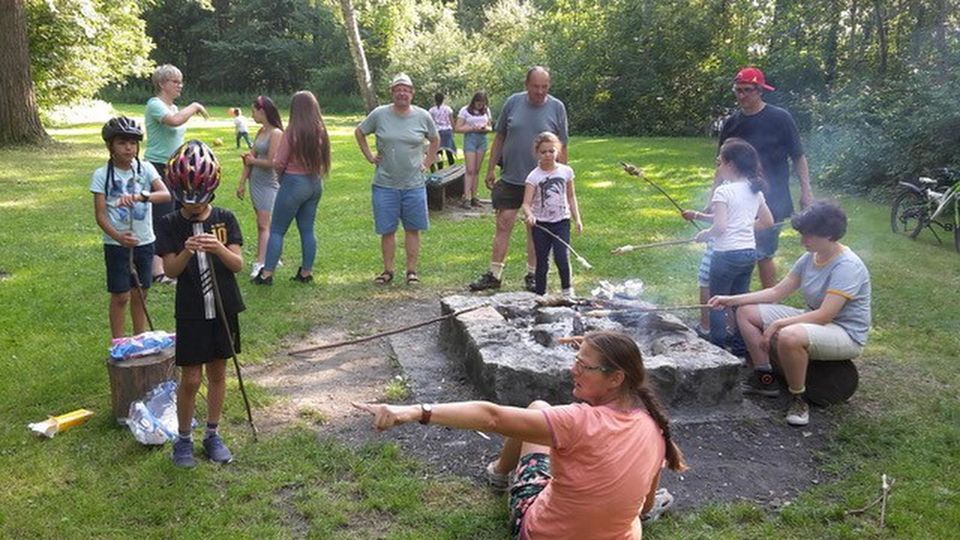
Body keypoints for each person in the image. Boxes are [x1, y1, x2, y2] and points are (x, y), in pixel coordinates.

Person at [353, 331, 686, 539]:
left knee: (538, 406)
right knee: (633, 518)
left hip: (544, 533)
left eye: (584, 366)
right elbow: (643, 505)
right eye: (576, 360)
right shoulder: (655, 426)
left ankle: (500, 475)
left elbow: (493, 417)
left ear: (615, 378)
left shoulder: (578, 420)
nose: (574, 369)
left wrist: (413, 411)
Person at [708, 201, 871, 427]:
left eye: (809, 236)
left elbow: (825, 315)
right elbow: (777, 291)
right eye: (803, 234)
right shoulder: (810, 258)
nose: (803, 240)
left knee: (789, 335)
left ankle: (799, 399)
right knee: (745, 312)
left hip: (844, 332)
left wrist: (777, 325)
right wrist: (730, 300)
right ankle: (766, 379)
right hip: (814, 318)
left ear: (830, 235)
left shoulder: (847, 266)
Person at [155, 140, 244, 467]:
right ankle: (183, 438)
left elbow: (237, 265)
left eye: (200, 200)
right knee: (191, 378)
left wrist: (218, 249)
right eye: (186, 200)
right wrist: (188, 250)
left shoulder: (225, 218)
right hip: (191, 311)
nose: (193, 207)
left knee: (218, 373)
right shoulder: (169, 224)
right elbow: (169, 270)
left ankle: (212, 433)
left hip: (224, 308)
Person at [469, 66, 569, 293]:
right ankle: (494, 274)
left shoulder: (557, 107)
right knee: (504, 223)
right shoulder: (513, 103)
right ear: (527, 85)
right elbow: (500, 136)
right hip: (512, 177)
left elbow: (562, 144)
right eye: (536, 87)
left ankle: (533, 274)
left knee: (535, 228)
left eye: (544, 87)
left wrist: (561, 176)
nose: (540, 91)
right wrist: (491, 168)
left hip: (542, 182)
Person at [717, 66, 813, 288]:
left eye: (747, 90)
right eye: (737, 90)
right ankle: (736, 304)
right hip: (736, 200)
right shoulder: (732, 122)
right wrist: (713, 196)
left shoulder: (780, 118)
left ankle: (766, 301)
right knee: (735, 251)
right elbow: (720, 163)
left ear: (760, 90)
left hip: (772, 198)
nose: (741, 96)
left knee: (764, 253)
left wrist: (806, 191)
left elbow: (798, 156)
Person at [685, 138, 773, 348]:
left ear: (730, 165)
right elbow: (767, 222)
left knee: (717, 302)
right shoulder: (754, 190)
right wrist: (741, 227)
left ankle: (717, 348)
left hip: (725, 255)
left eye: (720, 163)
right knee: (739, 302)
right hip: (748, 254)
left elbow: (721, 227)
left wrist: (705, 234)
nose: (718, 167)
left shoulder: (723, 191)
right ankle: (741, 347)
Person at [354, 73, 439, 286]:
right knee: (387, 230)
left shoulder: (422, 116)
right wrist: (370, 156)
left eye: (406, 89)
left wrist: (427, 162)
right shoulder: (380, 114)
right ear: (392, 92)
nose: (402, 93)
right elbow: (360, 132)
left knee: (413, 228)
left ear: (412, 93)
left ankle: (411, 271)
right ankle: (388, 270)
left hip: (414, 184)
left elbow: (435, 139)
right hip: (385, 183)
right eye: (398, 89)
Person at [91, 117, 171, 339]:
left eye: (133, 143)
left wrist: (140, 196)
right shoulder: (101, 175)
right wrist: (118, 237)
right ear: (110, 146)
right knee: (120, 295)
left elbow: (165, 194)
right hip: (116, 245)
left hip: (145, 241)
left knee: (141, 293)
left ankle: (139, 338)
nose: (129, 147)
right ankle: (118, 342)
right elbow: (100, 215)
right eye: (122, 142)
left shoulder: (145, 169)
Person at [252, 91, 331, 285]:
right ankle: (306, 272)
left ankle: (267, 274)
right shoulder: (320, 130)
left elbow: (278, 162)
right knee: (307, 229)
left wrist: (281, 179)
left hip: (294, 182)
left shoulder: (292, 132)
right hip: (315, 183)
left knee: (277, 229)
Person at [144, 64, 208, 284]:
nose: (180, 85)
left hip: (175, 169)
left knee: (178, 214)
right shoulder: (155, 105)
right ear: (162, 84)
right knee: (161, 218)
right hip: (157, 167)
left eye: (181, 81)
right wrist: (195, 106)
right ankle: (157, 270)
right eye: (175, 81)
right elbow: (174, 122)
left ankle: (175, 263)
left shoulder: (174, 107)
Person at [521, 132, 583, 297]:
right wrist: (530, 215)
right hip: (541, 224)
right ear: (537, 154)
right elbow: (526, 203)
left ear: (558, 151)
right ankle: (540, 295)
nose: (548, 155)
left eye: (551, 151)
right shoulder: (534, 177)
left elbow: (571, 196)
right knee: (542, 261)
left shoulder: (566, 172)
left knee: (562, 257)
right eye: (543, 152)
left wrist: (577, 219)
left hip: (562, 221)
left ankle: (567, 292)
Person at [236, 95, 284, 278]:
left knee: (263, 224)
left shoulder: (276, 133)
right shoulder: (260, 132)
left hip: (268, 184)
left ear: (263, 111)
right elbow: (250, 159)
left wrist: (252, 160)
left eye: (254, 111)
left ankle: (261, 262)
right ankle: (272, 255)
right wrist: (241, 183)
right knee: (263, 224)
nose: (252, 115)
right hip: (255, 182)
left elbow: (273, 162)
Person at [455, 91, 493, 209]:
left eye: (482, 103)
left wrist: (484, 128)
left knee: (477, 170)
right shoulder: (465, 110)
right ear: (474, 101)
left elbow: (490, 126)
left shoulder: (486, 110)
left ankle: (474, 196)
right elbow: (458, 128)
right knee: (470, 169)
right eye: (478, 103)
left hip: (482, 139)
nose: (480, 105)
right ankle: (466, 197)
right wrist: (471, 127)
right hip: (470, 138)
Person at [428, 92, 456, 168]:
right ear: (443, 99)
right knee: (449, 151)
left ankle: (440, 169)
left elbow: (430, 123)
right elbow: (451, 121)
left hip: (437, 131)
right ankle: (452, 167)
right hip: (447, 131)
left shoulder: (431, 110)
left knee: (438, 152)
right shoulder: (448, 109)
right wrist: (454, 131)